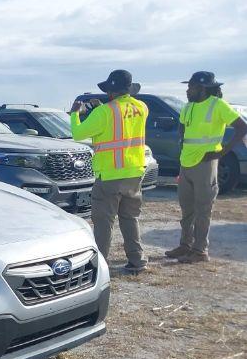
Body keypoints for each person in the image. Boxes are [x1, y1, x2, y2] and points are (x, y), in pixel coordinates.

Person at [70, 70, 149, 273]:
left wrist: (75, 114)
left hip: (110, 175)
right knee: (130, 218)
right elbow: (121, 123)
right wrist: (101, 108)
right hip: (134, 172)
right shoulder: (142, 107)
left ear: (110, 91)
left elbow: (78, 134)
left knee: (104, 222)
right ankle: (137, 260)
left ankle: (100, 265)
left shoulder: (104, 112)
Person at [165, 72, 247, 263]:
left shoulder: (217, 105)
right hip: (186, 163)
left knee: (203, 208)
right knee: (187, 208)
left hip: (205, 163)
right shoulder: (189, 106)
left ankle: (200, 251)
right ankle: (185, 245)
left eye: (191, 86)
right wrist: (182, 141)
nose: (187, 90)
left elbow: (242, 127)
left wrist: (222, 152)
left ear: (202, 88)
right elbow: (182, 126)